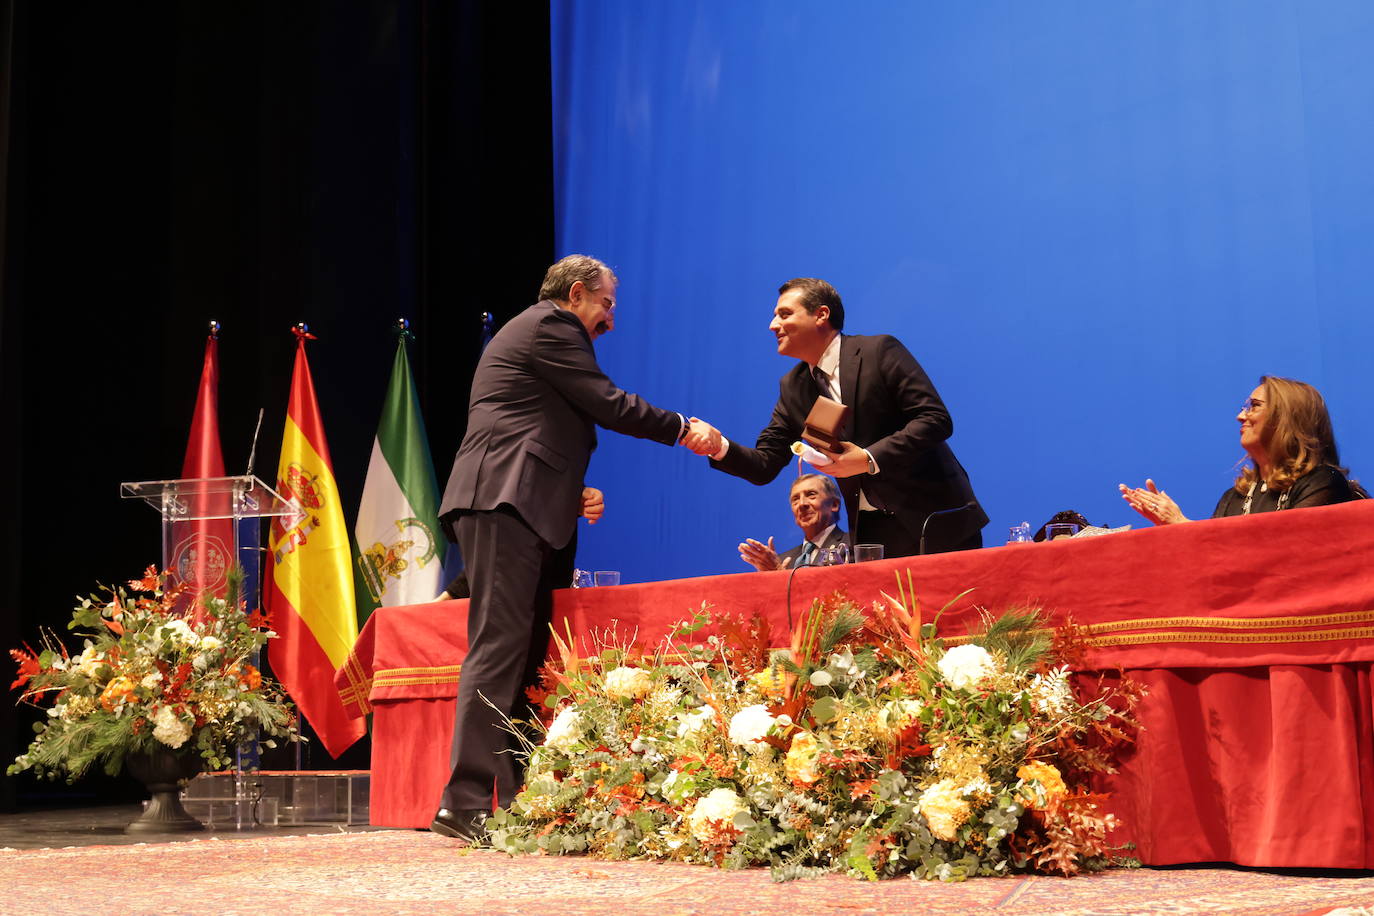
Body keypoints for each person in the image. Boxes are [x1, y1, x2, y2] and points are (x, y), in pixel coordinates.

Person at [430, 255, 720, 842]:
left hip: (525, 502)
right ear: (579, 292)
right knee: (499, 649)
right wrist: (683, 427)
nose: (610, 319)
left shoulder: (542, 335)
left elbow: (532, 426)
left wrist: (568, 491)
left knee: (527, 655)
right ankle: (462, 803)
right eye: (607, 304)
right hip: (503, 501)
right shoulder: (551, 325)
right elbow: (606, 402)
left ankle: (513, 800)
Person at [700, 278, 987, 557]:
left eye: (784, 314)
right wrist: (718, 446)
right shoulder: (793, 388)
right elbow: (765, 464)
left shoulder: (878, 352)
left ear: (821, 315)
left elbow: (934, 418)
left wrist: (867, 458)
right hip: (872, 536)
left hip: (934, 519)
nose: (772, 325)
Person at [1120, 376, 1362, 524]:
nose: (1240, 416)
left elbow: (1288, 549)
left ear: (1286, 418)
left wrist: (1181, 524)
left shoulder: (1322, 483)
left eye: (1254, 406)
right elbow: (1215, 557)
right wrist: (1173, 528)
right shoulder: (1234, 497)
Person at [739, 473, 850, 571]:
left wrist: (781, 576)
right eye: (795, 499)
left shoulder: (852, 546)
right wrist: (772, 578)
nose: (801, 504)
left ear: (834, 504)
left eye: (811, 494)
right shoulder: (782, 560)